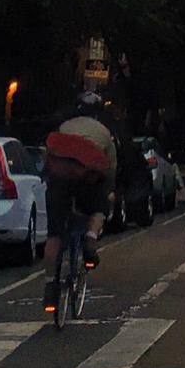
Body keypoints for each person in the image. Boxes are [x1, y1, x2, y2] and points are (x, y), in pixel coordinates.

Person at [42, 88, 118, 312]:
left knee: (54, 236)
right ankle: (90, 240)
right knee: (101, 205)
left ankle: (50, 288)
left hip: (59, 184)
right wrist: (109, 190)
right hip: (87, 182)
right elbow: (110, 169)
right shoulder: (103, 132)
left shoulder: (64, 127)